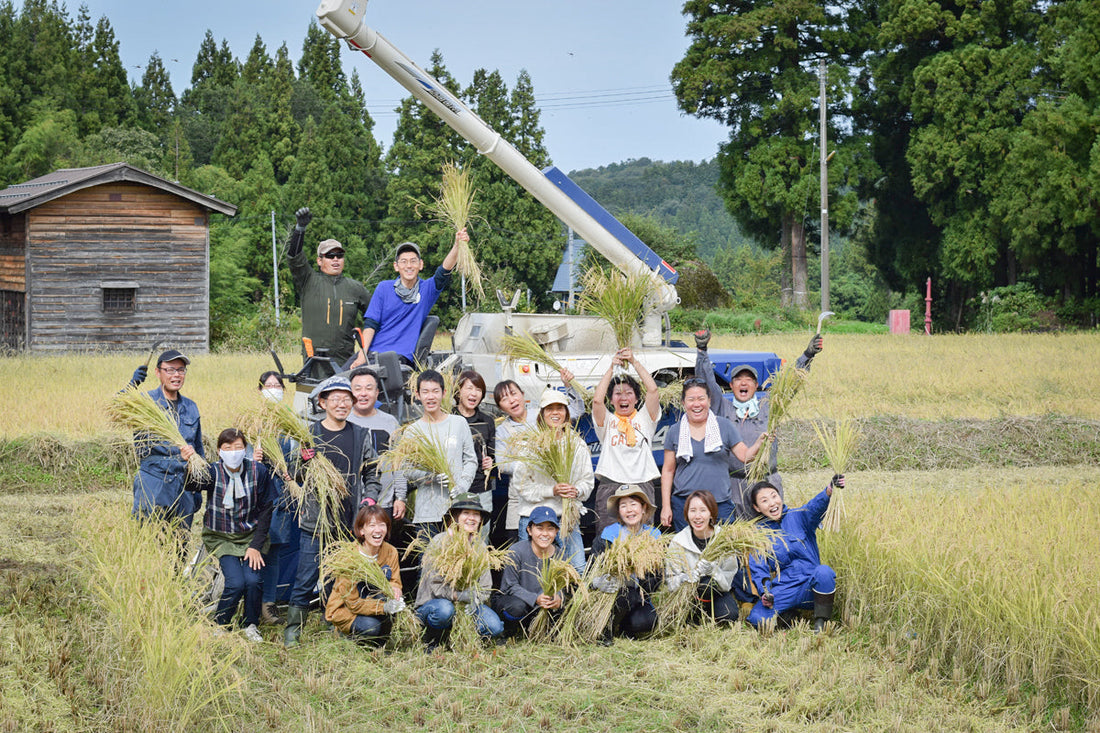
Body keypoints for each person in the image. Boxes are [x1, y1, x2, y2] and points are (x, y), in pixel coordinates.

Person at [284, 375, 382, 648]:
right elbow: (294, 474)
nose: (341, 404)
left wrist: (369, 499)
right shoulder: (309, 434)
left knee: (338, 577)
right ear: (322, 402)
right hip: (316, 521)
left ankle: (333, 623)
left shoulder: (361, 434)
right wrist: (303, 461)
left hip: (348, 521)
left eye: (346, 399)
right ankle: (293, 631)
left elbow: (373, 473)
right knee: (306, 577)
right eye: (335, 399)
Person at [693, 329, 823, 514]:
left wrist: (807, 356)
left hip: (767, 482)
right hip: (734, 485)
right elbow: (706, 382)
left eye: (749, 380)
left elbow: (791, 383)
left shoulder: (770, 406)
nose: (743, 383)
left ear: (756, 386)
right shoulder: (722, 407)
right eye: (738, 379)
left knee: (770, 527)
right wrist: (702, 351)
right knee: (737, 529)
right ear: (731, 385)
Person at [186, 428, 273, 642]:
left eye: (238, 447)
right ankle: (221, 624)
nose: (233, 452)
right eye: (228, 448)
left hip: (250, 536)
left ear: (245, 449)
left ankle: (250, 624)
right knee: (236, 583)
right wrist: (188, 463)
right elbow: (192, 484)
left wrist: (255, 546)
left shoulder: (259, 471)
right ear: (219, 451)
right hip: (221, 536)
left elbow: (266, 509)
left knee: (253, 581)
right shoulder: (212, 471)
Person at [660, 379, 766, 532]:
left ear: (709, 401)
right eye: (691, 399)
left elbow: (745, 456)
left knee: (723, 545)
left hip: (720, 504)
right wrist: (666, 506)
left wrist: (759, 443)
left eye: (701, 398)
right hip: (685, 504)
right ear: (683, 403)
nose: (696, 404)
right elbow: (668, 470)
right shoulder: (675, 431)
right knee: (687, 546)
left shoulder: (724, 426)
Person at [491, 374, 584, 548]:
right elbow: (502, 464)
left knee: (564, 550)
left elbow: (577, 410)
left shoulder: (542, 414)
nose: (511, 400)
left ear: (523, 394)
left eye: (514, 393)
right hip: (523, 495)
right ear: (500, 407)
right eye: (504, 399)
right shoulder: (503, 430)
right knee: (525, 548)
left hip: (555, 495)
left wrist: (568, 385)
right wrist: (532, 462)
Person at [351, 231, 468, 367]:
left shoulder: (426, 290)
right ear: (396, 266)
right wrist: (362, 354)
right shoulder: (383, 288)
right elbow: (371, 324)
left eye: (413, 261)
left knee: (363, 378)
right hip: (373, 353)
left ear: (421, 265)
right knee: (340, 376)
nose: (409, 266)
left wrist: (457, 245)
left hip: (399, 357)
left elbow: (444, 271)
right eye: (404, 261)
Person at [746, 475, 844, 632]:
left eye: (774, 496)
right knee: (757, 618)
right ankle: (787, 617)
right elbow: (758, 568)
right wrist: (765, 592)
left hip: (810, 585)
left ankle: (821, 623)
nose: (772, 503)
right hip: (784, 588)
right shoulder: (759, 534)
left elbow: (815, 508)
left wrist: (829, 490)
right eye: (764, 501)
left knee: (824, 572)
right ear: (757, 508)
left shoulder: (799, 516)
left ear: (780, 497)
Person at [513, 389, 594, 574]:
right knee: (532, 573)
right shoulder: (530, 445)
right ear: (542, 414)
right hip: (534, 520)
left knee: (577, 570)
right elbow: (521, 486)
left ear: (566, 412)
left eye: (560, 408)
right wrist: (552, 490)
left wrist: (576, 491)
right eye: (550, 409)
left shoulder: (577, 444)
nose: (555, 413)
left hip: (566, 519)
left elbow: (587, 482)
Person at [126, 349, 203, 544]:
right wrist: (132, 385)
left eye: (181, 370)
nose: (176, 375)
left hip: (183, 488)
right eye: (170, 370)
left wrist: (198, 488)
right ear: (157, 372)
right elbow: (116, 407)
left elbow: (198, 448)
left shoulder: (191, 407)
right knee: (150, 545)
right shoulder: (145, 402)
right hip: (154, 485)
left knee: (179, 548)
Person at [415, 492, 504, 649]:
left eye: (476, 514)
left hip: (470, 604)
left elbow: (485, 587)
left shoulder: (480, 546)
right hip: (436, 604)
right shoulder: (440, 542)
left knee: (494, 627)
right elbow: (434, 586)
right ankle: (434, 637)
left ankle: (461, 635)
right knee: (445, 610)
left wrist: (473, 599)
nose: (471, 518)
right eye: (466, 513)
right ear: (455, 517)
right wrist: (458, 596)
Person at [285, 206, 372, 368]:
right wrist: (300, 229)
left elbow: (375, 317)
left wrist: (365, 348)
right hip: (313, 361)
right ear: (319, 260)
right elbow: (294, 257)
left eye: (340, 255)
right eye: (330, 256)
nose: (336, 259)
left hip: (346, 361)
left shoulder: (356, 288)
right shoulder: (308, 280)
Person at [591, 348, 661, 532]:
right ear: (611, 400)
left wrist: (634, 362)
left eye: (629, 393)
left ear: (637, 399)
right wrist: (611, 369)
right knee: (608, 538)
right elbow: (597, 401)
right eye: (617, 393)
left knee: (643, 539)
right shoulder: (607, 421)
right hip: (611, 485)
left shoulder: (645, 419)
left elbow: (653, 390)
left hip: (641, 483)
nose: (623, 397)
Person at [403, 370, 477, 537]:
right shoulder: (412, 431)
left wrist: (463, 485)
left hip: (458, 511)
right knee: (428, 554)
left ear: (443, 393)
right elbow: (406, 470)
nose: (431, 397)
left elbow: (471, 460)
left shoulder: (458, 423)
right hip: (427, 513)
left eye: (435, 391)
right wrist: (430, 477)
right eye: (425, 392)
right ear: (417, 395)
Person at [589, 485, 664, 642]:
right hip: (612, 594)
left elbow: (657, 577)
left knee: (647, 620)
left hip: (639, 595)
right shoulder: (608, 535)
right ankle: (605, 627)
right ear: (619, 511)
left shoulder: (653, 536)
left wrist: (637, 580)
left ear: (643, 508)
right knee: (624, 596)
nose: (629, 510)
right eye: (623, 505)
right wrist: (599, 582)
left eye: (633, 504)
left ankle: (624, 628)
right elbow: (592, 568)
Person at [665, 490, 751, 624]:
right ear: (687, 514)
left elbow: (728, 581)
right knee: (684, 617)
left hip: (717, 593)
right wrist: (685, 578)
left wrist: (714, 572)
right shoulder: (678, 541)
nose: (697, 516)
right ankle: (695, 614)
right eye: (693, 511)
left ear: (711, 513)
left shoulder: (723, 539)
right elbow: (671, 581)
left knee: (729, 614)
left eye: (703, 510)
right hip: (689, 596)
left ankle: (711, 613)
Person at [324, 505, 406, 642]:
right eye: (372, 525)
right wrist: (384, 607)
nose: (378, 530)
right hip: (348, 610)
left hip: (373, 602)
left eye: (382, 525)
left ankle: (380, 643)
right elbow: (353, 603)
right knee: (371, 627)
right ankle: (346, 635)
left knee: (390, 599)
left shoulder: (390, 551)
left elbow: (395, 581)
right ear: (362, 530)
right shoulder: (349, 556)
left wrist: (395, 590)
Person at [256, 371, 299, 625]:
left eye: (277, 385)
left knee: (273, 550)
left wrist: (291, 470)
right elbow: (233, 450)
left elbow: (300, 453)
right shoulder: (252, 420)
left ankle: (268, 604)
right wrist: (252, 458)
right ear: (259, 390)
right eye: (268, 385)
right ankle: (250, 601)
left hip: (282, 495)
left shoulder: (291, 420)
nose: (273, 389)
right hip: (256, 495)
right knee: (253, 548)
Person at [492, 506, 569, 639]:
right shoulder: (516, 551)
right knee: (517, 607)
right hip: (517, 601)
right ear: (529, 530)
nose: (545, 534)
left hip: (542, 604)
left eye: (550, 529)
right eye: (539, 528)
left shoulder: (560, 555)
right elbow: (509, 586)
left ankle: (540, 629)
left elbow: (564, 585)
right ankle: (510, 631)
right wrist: (535, 598)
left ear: (556, 531)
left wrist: (558, 597)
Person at [347, 367, 407, 521]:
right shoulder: (343, 422)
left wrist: (400, 497)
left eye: (369, 388)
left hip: (383, 502)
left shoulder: (390, 422)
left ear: (377, 392)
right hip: (349, 504)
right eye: (357, 389)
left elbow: (399, 463)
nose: (363, 393)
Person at [453, 370, 495, 514]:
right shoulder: (448, 418)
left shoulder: (487, 421)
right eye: (469, 388)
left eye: (478, 390)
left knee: (481, 528)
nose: (474, 393)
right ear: (458, 391)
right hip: (453, 489)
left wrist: (491, 461)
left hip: (480, 489)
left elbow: (493, 453)